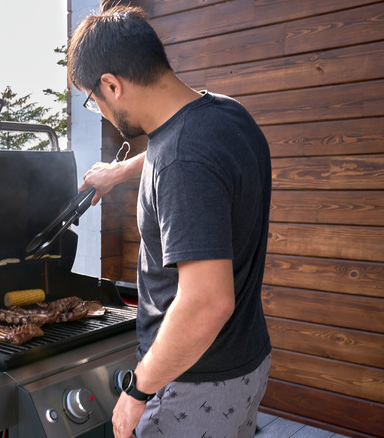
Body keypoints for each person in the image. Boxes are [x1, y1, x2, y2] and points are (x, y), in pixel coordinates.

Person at [68, 5, 272, 438]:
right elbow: (175, 154)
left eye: (93, 100)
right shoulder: (223, 114)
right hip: (244, 360)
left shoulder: (182, 159)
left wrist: (137, 392)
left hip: (194, 385)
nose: (99, 111)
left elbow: (207, 302)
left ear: (111, 85)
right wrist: (117, 172)